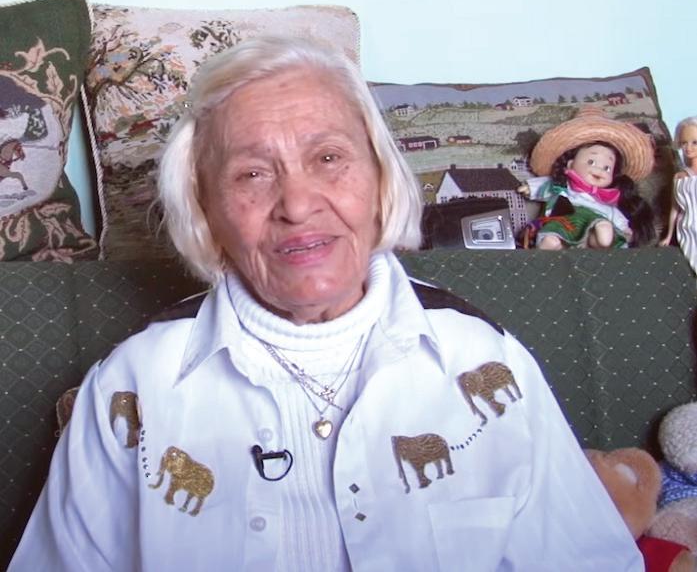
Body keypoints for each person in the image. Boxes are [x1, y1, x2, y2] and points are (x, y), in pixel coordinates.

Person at [9, 37, 642, 571]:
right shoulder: (132, 386)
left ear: (381, 178)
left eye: (329, 158)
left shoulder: (486, 360)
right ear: (206, 210)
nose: (297, 204)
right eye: (251, 173)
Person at [519, 106, 655, 250]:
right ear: (570, 164)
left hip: (593, 224)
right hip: (565, 222)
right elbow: (547, 185)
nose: (599, 170)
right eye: (591, 162)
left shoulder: (606, 200)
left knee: (602, 224)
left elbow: (614, 214)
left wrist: (624, 228)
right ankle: (552, 244)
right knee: (553, 233)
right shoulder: (562, 188)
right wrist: (530, 187)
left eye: (607, 168)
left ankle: (600, 240)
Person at [659, 116, 697, 249]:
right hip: (687, 230)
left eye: (695, 142)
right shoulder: (679, 177)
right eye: (684, 142)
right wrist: (669, 236)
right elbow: (675, 209)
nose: (688, 148)